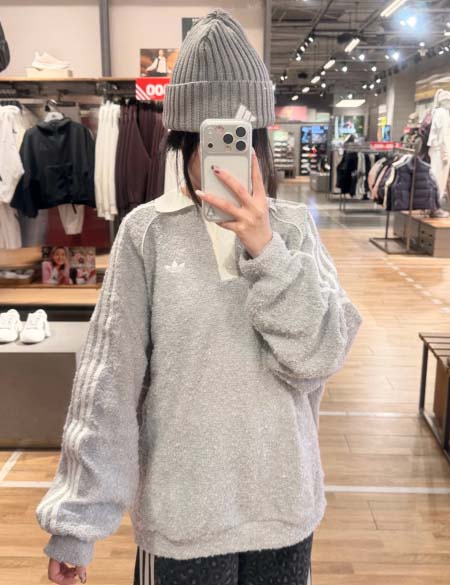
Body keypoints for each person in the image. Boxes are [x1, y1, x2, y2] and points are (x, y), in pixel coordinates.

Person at [36, 10, 362, 585]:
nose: (225, 158)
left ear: (258, 139)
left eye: (240, 140)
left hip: (282, 510)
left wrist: (266, 251)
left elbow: (320, 355)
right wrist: (78, 522)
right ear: (184, 140)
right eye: (208, 141)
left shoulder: (292, 230)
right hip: (181, 517)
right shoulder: (147, 233)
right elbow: (109, 382)